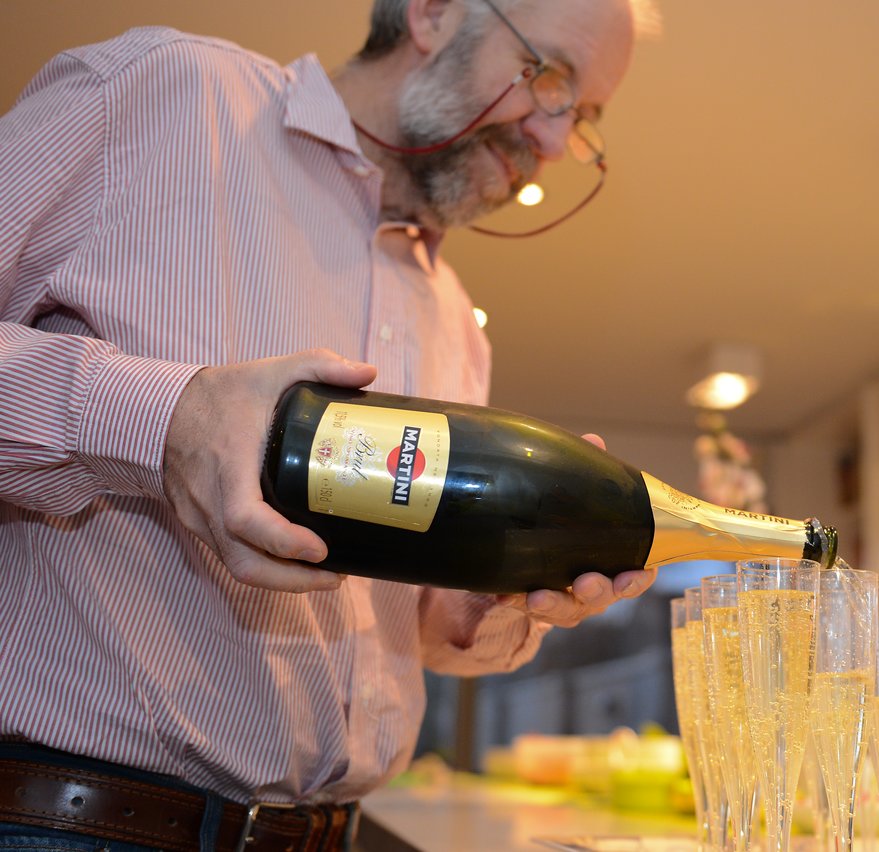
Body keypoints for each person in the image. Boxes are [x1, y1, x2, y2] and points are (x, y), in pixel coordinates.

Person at [0, 0, 657, 848]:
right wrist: (166, 418)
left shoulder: (455, 320)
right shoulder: (158, 94)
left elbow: (423, 627)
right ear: (432, 12)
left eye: (588, 117)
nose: (559, 140)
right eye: (553, 78)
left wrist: (497, 599)